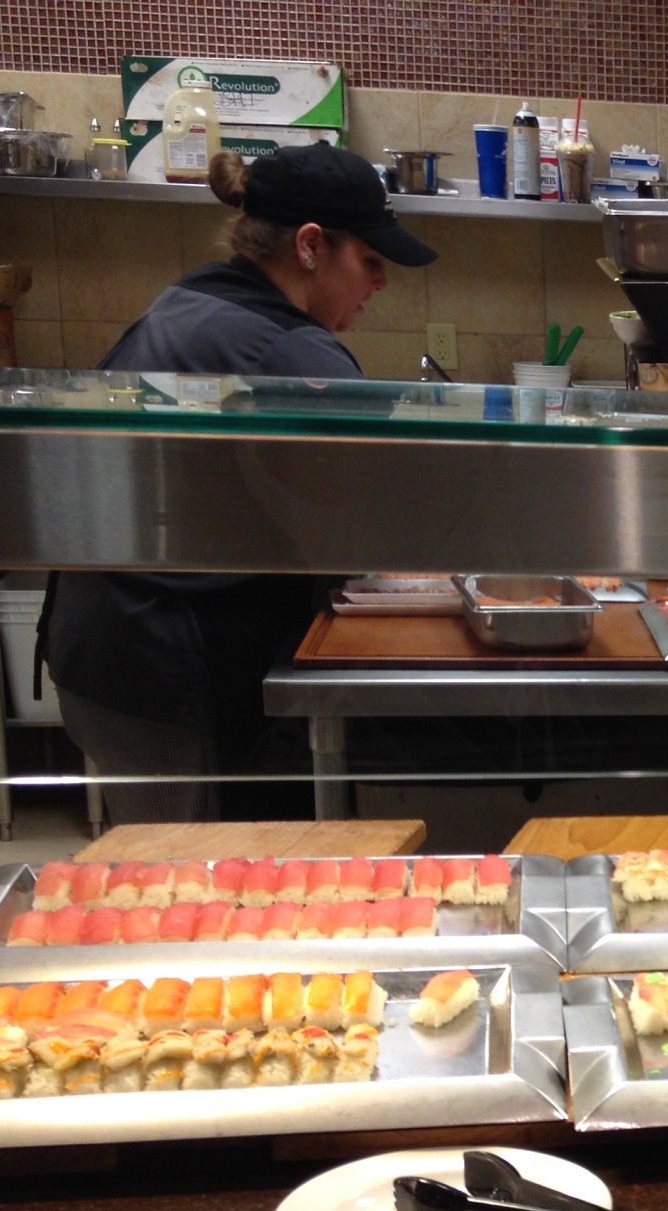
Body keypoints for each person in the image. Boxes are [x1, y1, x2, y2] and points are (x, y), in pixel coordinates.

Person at [40, 143, 439, 822]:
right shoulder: (288, 347)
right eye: (371, 261)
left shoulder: (195, 297)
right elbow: (375, 507)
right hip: (163, 664)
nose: (381, 283)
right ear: (310, 246)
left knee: (188, 866)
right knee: (193, 874)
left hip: (105, 643)